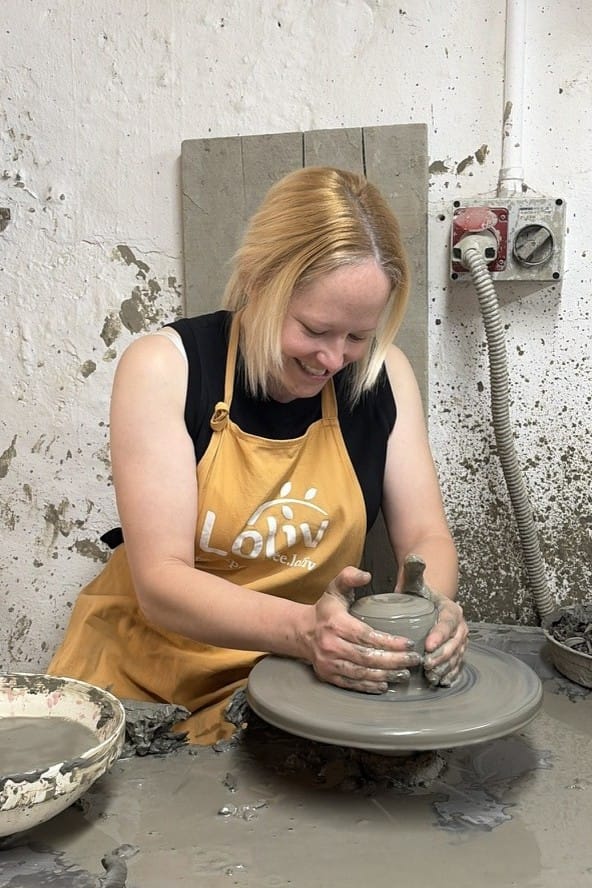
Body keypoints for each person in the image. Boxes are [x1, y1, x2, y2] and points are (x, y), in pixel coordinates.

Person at [48, 166, 467, 745]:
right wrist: (302, 631)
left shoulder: (382, 379)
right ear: (257, 280)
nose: (332, 359)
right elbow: (162, 582)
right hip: (142, 674)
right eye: (315, 329)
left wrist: (433, 610)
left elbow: (425, 533)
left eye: (357, 336)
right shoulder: (163, 369)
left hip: (280, 671)